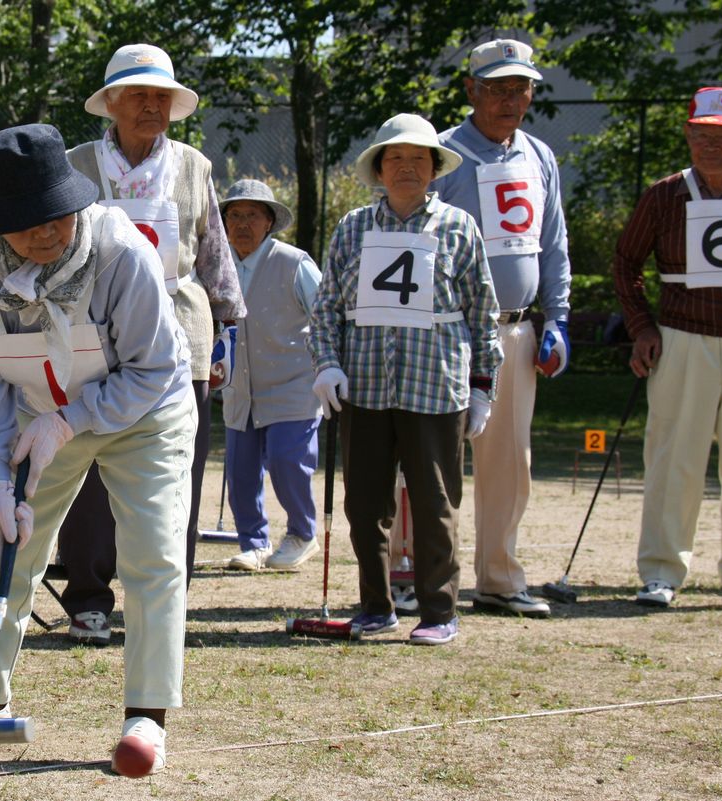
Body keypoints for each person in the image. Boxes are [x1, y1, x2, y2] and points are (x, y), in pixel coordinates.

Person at [0, 123, 196, 774]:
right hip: (35, 416)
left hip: (144, 412)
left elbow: (152, 369)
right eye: (26, 223)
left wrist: (71, 421)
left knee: (153, 553)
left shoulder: (121, 252)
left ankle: (146, 718)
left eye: (56, 217)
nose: (45, 234)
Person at [54, 43, 246, 645]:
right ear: (110, 103)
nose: (150, 106)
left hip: (180, 334)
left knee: (175, 472)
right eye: (138, 94)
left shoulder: (194, 165)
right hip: (93, 336)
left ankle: (164, 600)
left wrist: (226, 329)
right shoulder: (76, 163)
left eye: (161, 96)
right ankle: (87, 599)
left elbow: (211, 249)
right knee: (85, 468)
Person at [309, 113, 503, 646]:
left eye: (419, 159)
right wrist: (326, 363)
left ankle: (440, 611)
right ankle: (376, 605)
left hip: (435, 386)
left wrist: (484, 385)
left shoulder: (459, 228)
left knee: (435, 502)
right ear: (379, 167)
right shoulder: (353, 227)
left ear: (435, 168)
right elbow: (326, 309)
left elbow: (484, 313)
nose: (408, 168)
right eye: (396, 158)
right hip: (366, 387)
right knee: (365, 505)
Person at [428, 39, 571, 619]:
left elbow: (554, 243)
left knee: (509, 463)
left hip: (515, 332)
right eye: (497, 88)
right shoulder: (440, 154)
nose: (510, 99)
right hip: (446, 331)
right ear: (471, 91)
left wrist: (557, 317)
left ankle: (499, 578)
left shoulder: (539, 155)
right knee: (428, 459)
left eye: (521, 88)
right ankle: (415, 573)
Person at [613, 86, 722, 611]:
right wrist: (642, 328)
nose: (712, 146)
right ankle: (661, 572)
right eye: (703, 134)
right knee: (673, 459)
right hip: (683, 338)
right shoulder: (665, 195)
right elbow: (625, 261)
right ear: (688, 133)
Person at [217, 179, 322, 571]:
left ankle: (301, 534)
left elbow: (325, 314)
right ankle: (253, 543)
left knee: (286, 460)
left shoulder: (294, 262)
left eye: (253, 215)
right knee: (240, 471)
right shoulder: (216, 262)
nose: (243, 224)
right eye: (235, 215)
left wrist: (329, 368)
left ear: (269, 222)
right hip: (238, 386)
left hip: (292, 383)